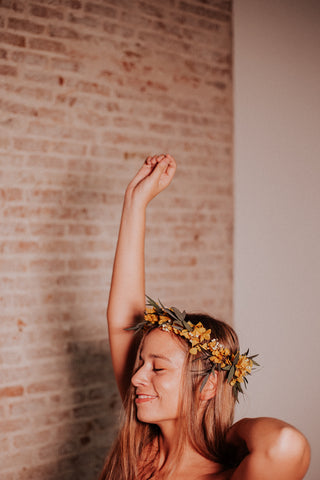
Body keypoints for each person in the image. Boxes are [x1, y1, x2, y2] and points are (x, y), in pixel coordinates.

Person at [100, 154, 310, 480]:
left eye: (158, 367)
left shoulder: (230, 475)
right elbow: (123, 319)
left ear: (208, 384)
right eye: (142, 363)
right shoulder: (140, 449)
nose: (136, 377)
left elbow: (287, 444)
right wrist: (135, 202)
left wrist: (225, 434)